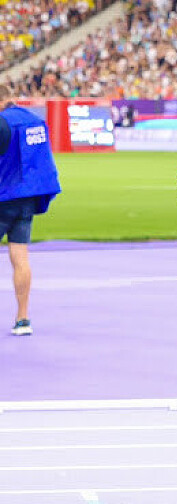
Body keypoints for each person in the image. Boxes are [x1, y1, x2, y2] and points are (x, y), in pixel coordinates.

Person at [0, 85, 62, 336]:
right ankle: (23, 318)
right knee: (20, 257)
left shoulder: (3, 122)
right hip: (26, 197)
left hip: (3, 195)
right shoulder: (34, 120)